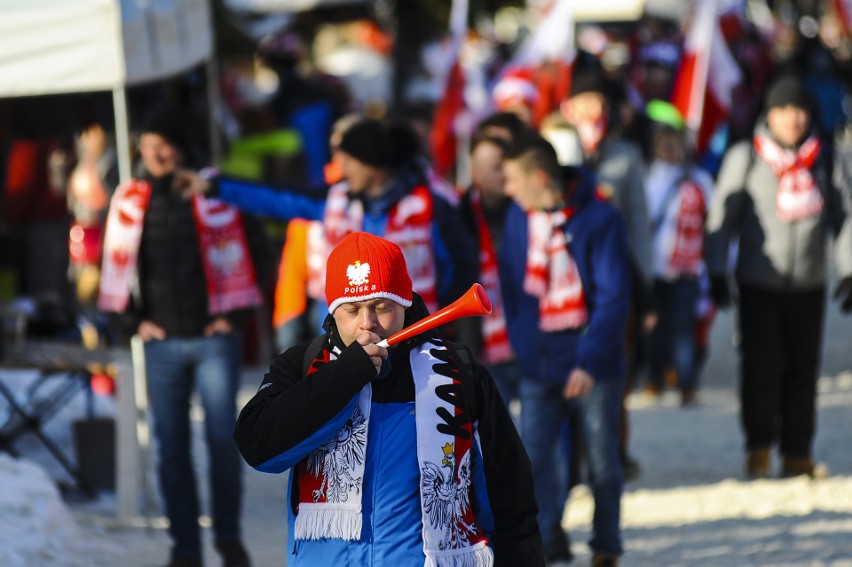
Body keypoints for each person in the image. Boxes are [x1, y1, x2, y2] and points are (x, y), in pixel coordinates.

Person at [234, 231, 544, 566]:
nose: (368, 324)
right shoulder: (302, 364)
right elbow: (258, 447)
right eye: (352, 310)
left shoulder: (460, 373)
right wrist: (345, 376)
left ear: (405, 302)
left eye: (381, 307)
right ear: (333, 312)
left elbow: (510, 498)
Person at [98, 105, 271, 567]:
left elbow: (258, 252)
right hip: (161, 343)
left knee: (221, 441)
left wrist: (236, 318)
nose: (155, 153)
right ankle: (185, 548)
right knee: (171, 447)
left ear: (181, 147)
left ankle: (229, 539)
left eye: (164, 144)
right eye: (147, 145)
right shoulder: (130, 199)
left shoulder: (215, 191)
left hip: (214, 336)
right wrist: (134, 323)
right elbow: (113, 266)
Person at [182, 117, 478, 326]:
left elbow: (460, 265)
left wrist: (435, 318)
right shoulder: (334, 199)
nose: (341, 168)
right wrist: (214, 187)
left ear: (371, 165)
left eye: (348, 160)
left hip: (412, 333)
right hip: (346, 337)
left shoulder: (429, 207)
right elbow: (275, 198)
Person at [705, 75, 852, 479]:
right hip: (759, 282)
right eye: (784, 111)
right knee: (761, 368)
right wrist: (716, 271)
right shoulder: (746, 157)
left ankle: (798, 452)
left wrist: (849, 268)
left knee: (803, 371)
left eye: (800, 111)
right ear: (769, 115)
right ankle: (759, 447)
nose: (793, 120)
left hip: (809, 282)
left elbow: (845, 217)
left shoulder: (826, 159)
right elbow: (723, 216)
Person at [499, 135, 632, 567]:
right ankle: (544, 541)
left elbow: (613, 297)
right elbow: (514, 291)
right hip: (539, 365)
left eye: (514, 180)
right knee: (535, 461)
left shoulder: (600, 218)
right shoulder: (521, 218)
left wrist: (589, 361)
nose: (509, 190)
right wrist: (524, 349)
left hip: (593, 365)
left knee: (601, 463)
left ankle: (606, 544)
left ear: (540, 177)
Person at [642, 105, 714, 406]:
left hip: (688, 267)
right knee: (655, 326)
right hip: (656, 268)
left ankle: (687, 381)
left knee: (684, 326)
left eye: (676, 146)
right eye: (665, 146)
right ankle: (654, 378)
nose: (671, 152)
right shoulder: (649, 180)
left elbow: (711, 221)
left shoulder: (700, 180)